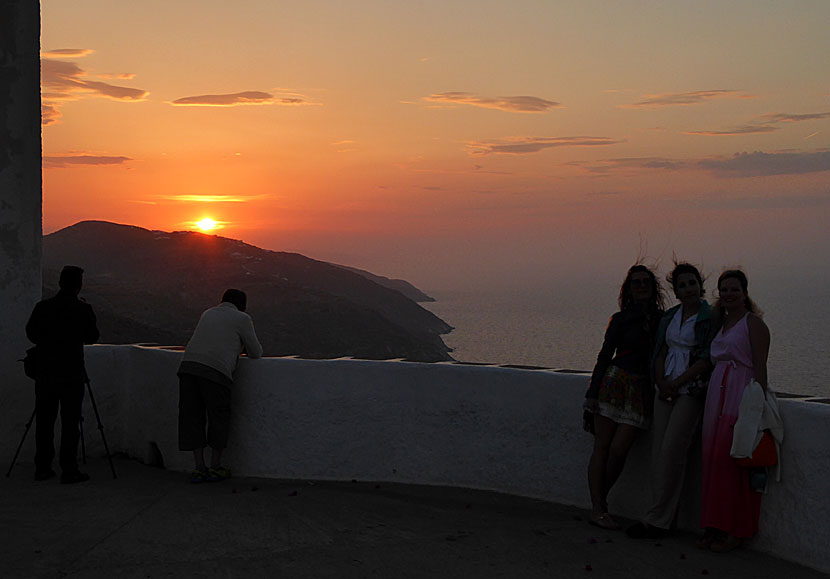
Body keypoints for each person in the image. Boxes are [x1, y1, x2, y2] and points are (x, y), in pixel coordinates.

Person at [626, 262, 717, 539]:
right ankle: (664, 517)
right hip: (665, 388)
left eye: (692, 283)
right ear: (675, 291)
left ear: (700, 286)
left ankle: (656, 521)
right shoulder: (672, 317)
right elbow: (661, 350)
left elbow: (705, 359)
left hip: (690, 391)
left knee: (672, 452)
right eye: (682, 285)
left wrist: (677, 384)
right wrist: (662, 383)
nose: (688, 289)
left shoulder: (709, 317)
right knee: (658, 454)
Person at [585, 264, 664, 529]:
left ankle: (600, 501)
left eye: (645, 282)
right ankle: (598, 508)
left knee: (619, 450)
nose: (641, 286)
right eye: (636, 283)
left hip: (640, 388)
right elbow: (605, 355)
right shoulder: (619, 319)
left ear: (653, 288)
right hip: (614, 382)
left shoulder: (662, 319)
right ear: (628, 289)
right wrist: (592, 392)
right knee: (602, 447)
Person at [698, 270, 770, 553]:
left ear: (745, 292)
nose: (728, 294)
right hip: (717, 395)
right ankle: (713, 526)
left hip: (740, 394)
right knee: (713, 463)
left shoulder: (754, 324)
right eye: (724, 290)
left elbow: (760, 367)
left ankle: (736, 530)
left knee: (735, 466)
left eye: (734, 289)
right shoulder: (723, 322)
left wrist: (758, 404)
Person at [178, 289, 263, 483]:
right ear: (242, 305)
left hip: (188, 367)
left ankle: (199, 468)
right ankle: (215, 467)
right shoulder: (243, 318)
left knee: (192, 417)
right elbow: (256, 352)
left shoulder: (208, 312)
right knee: (218, 417)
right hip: (216, 371)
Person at [26, 265, 100, 484]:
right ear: (78, 285)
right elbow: (92, 337)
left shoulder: (43, 307)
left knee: (44, 421)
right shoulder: (83, 310)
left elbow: (31, 334)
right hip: (72, 374)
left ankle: (43, 467)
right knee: (70, 423)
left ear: (60, 282)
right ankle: (69, 469)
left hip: (45, 373)